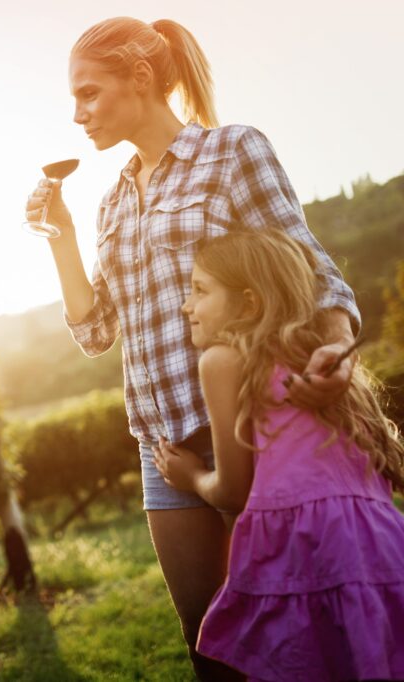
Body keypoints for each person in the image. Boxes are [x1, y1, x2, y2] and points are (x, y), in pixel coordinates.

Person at [23, 16, 361, 679]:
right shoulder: (112, 201)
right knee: (207, 638)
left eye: (89, 93)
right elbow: (96, 332)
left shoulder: (232, 152)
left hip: (257, 425)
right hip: (165, 448)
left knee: (297, 622)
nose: (77, 114)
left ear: (141, 78)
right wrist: (60, 235)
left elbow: (310, 267)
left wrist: (339, 348)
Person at [153, 229, 404, 680]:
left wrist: (190, 476)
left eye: (199, 291)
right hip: (382, 544)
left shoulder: (221, 361)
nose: (186, 306)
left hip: (304, 548)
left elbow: (232, 491)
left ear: (248, 303)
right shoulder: (317, 362)